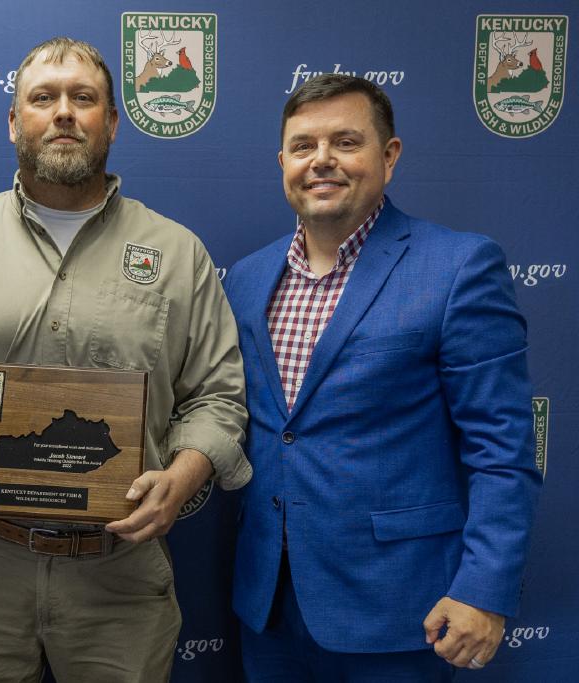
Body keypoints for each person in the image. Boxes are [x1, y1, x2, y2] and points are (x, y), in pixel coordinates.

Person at [0, 37, 249, 682]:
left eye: (84, 98)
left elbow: (218, 397)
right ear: (14, 121)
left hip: (122, 570)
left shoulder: (179, 253)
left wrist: (183, 478)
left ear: (111, 121)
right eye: (43, 98)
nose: (64, 113)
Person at [224, 74, 542, 681]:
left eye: (346, 142)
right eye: (302, 146)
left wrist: (485, 588)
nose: (321, 161)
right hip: (268, 605)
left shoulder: (457, 267)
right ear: (283, 162)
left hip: (402, 607)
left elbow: (502, 449)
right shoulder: (246, 278)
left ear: (388, 157)